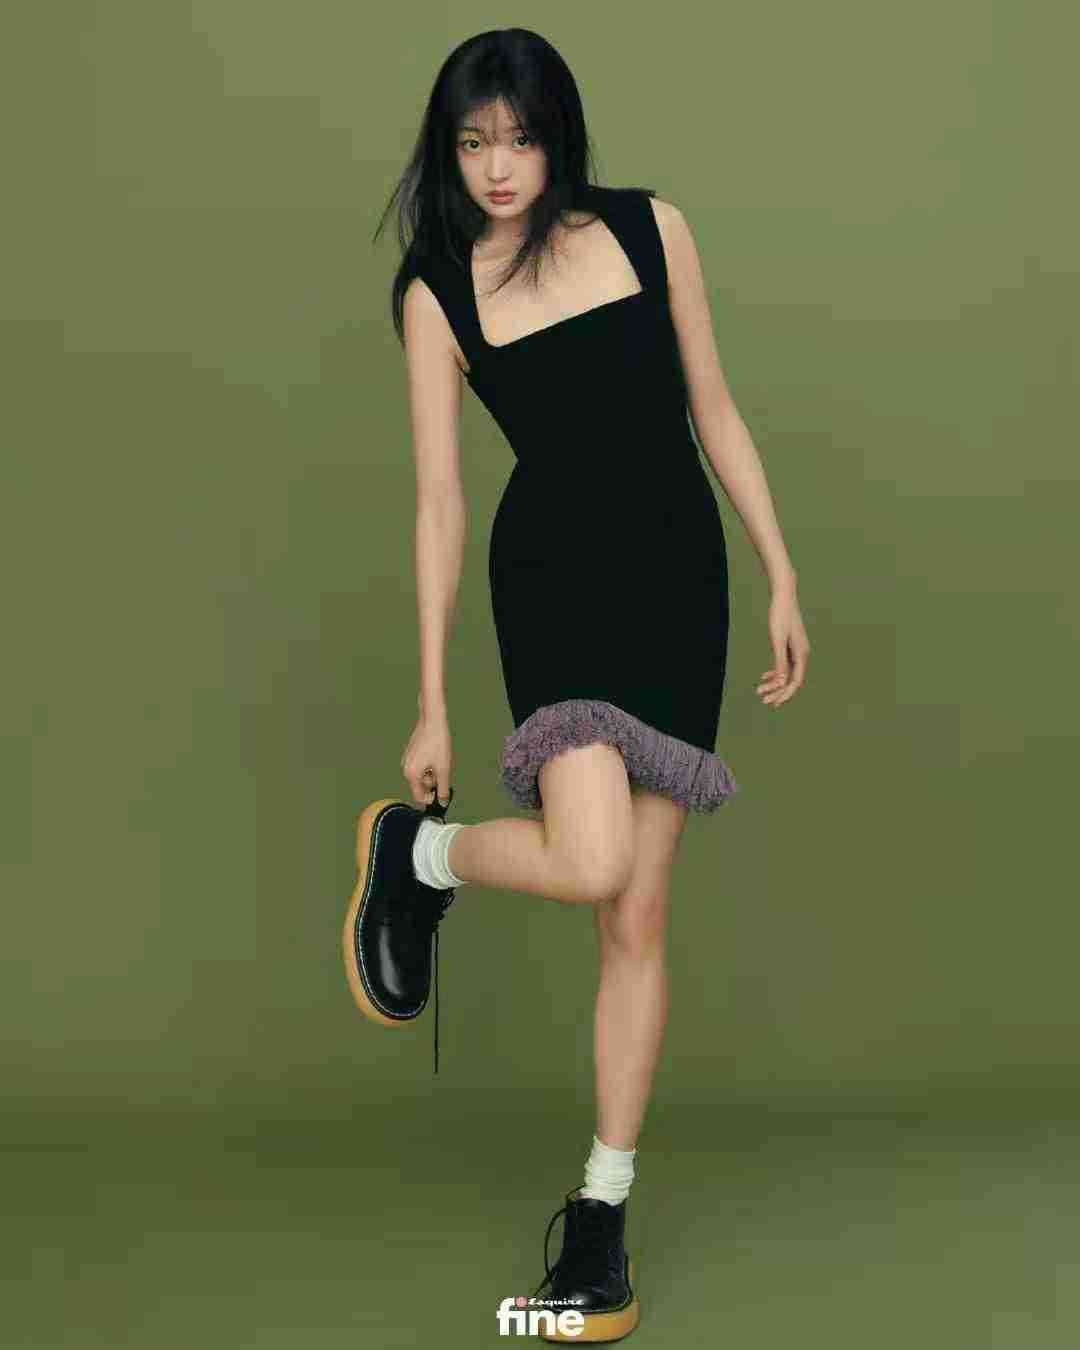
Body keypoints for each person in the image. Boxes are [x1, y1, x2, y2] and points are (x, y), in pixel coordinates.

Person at [342, 27, 810, 1344]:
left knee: (637, 913)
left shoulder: (651, 230)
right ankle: (420, 855)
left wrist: (780, 570)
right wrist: (431, 698)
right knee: (594, 859)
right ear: (448, 151)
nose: (498, 168)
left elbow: (714, 408)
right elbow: (439, 502)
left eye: (521, 138)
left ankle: (600, 1219)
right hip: (555, 584)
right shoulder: (438, 291)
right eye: (472, 142)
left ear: (560, 136)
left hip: (679, 585)